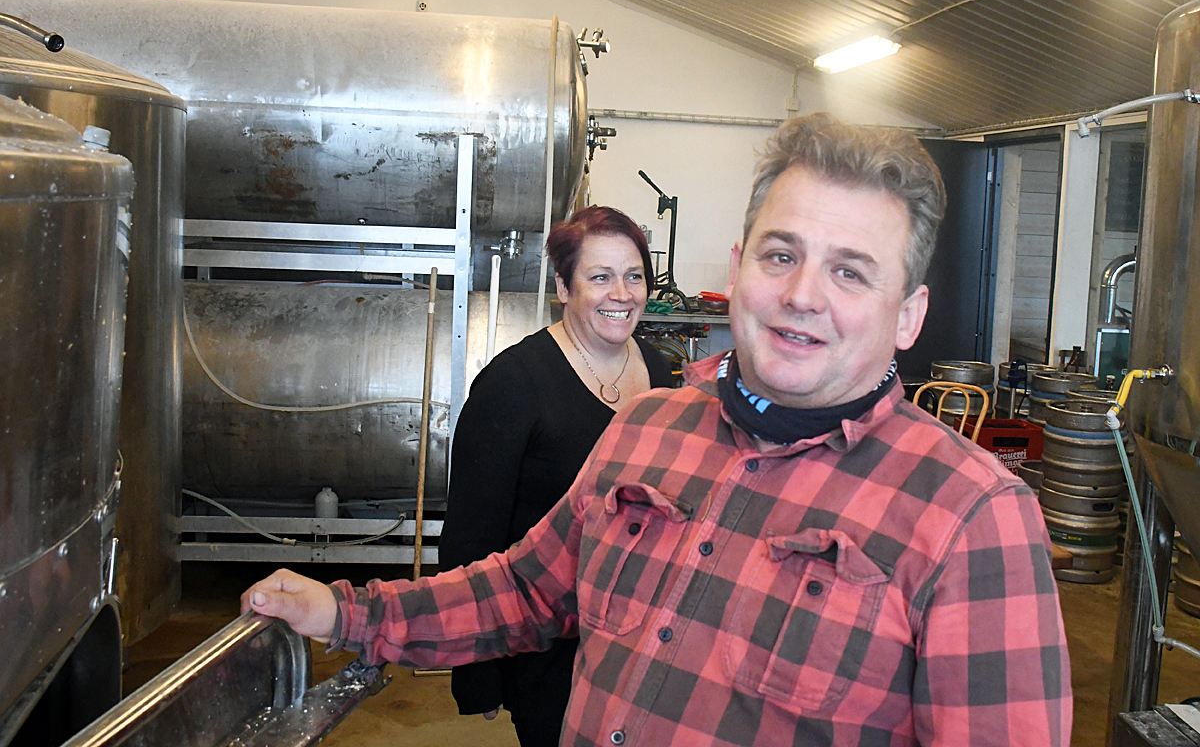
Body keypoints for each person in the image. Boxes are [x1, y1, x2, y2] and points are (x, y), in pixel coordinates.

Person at [244, 113, 1071, 747]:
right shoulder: (648, 426)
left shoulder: (972, 517)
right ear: (739, 268)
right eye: (781, 255)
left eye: (850, 272)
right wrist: (349, 613)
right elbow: (526, 589)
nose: (802, 295)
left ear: (910, 316)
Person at [438, 205, 672, 746]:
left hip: (637, 640)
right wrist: (477, 670)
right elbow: (472, 536)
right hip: (546, 644)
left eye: (634, 276)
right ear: (564, 288)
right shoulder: (513, 384)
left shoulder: (660, 373)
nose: (622, 294)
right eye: (600, 277)